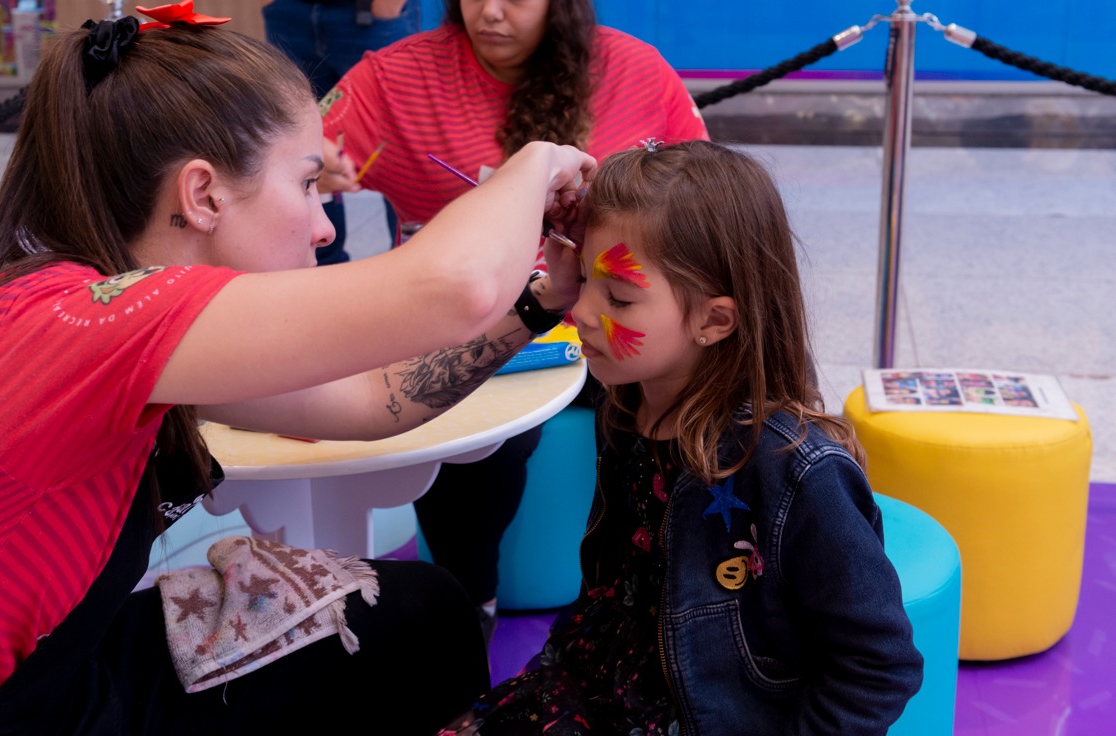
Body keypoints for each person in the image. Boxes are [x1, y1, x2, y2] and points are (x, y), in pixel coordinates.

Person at [0, 8, 596, 736]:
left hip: (16, 684)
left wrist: (532, 305)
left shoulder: (71, 300)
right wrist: (537, 164)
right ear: (202, 195)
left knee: (425, 614)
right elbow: (450, 286)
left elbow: (372, 398)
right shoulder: (78, 329)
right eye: (308, 184)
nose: (321, 223)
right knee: (423, 633)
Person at [440, 140, 925, 735]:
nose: (582, 312)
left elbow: (879, 665)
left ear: (714, 321)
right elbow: (614, 590)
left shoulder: (793, 468)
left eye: (617, 296)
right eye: (585, 277)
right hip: (590, 683)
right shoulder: (626, 405)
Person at [316, 0, 709, 641]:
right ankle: (470, 608)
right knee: (473, 434)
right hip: (476, 322)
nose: (489, 11)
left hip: (609, 313)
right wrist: (316, 164)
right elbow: (313, 143)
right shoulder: (398, 76)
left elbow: (702, 199)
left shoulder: (635, 69)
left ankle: (661, 595)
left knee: (664, 417)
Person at [261, 0, 421, 265]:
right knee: (302, 152)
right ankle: (324, 276)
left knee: (399, 153)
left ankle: (416, 277)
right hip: (289, 12)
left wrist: (386, 10)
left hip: (373, 13)